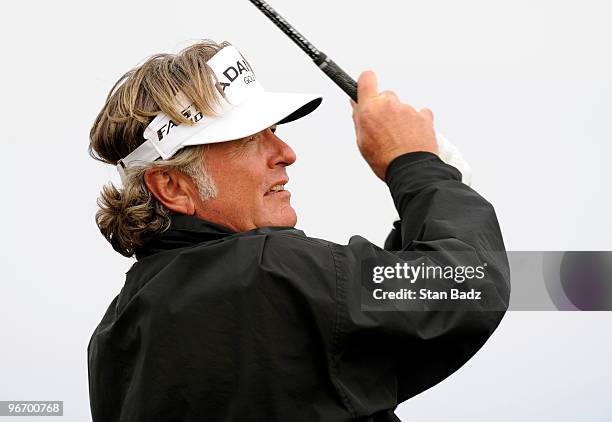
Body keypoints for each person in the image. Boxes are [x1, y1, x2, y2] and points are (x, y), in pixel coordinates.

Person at [87, 39, 510, 422]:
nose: (285, 153)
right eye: (249, 138)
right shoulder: (271, 271)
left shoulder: (114, 338)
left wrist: (430, 192)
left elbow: (371, 344)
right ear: (173, 186)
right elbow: (469, 283)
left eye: (273, 131)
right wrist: (418, 167)